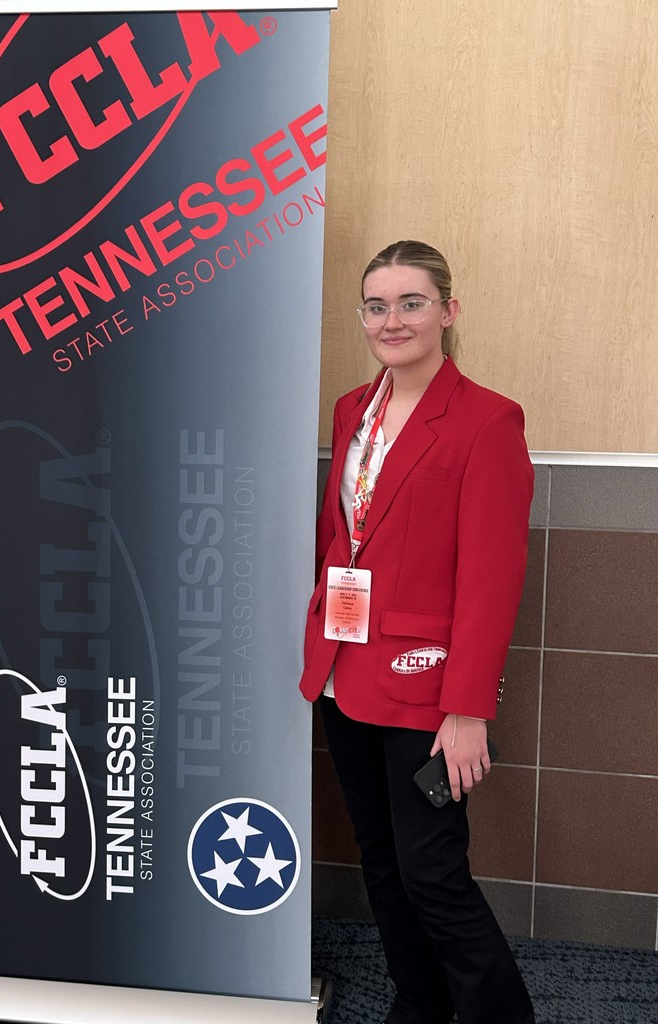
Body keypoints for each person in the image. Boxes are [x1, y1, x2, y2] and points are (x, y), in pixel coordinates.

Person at [300, 240, 536, 1024]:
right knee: (380, 861)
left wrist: (467, 709)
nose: (392, 320)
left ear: (447, 311)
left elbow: (492, 581)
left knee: (433, 872)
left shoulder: (486, 421)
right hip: (347, 672)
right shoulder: (351, 411)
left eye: (411, 303)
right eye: (377, 305)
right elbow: (346, 540)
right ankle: (420, 1001)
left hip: (427, 688)